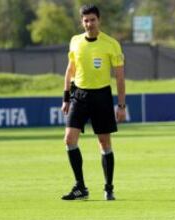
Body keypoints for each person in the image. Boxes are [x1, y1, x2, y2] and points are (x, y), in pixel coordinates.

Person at [61, 4, 126, 201]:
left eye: (92, 20)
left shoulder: (111, 44)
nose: (89, 24)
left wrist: (121, 106)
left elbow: (120, 78)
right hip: (79, 95)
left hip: (102, 96)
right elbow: (70, 70)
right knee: (69, 140)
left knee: (104, 143)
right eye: (86, 20)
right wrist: (66, 98)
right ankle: (80, 187)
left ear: (99, 20)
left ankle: (108, 188)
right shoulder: (75, 42)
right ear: (82, 22)